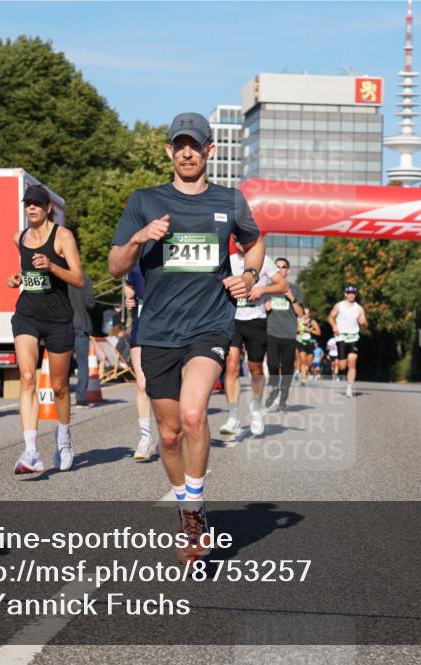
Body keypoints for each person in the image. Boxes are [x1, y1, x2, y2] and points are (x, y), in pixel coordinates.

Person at [108, 111, 263, 562]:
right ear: (169, 152)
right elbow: (116, 266)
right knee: (170, 434)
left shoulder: (230, 202)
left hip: (210, 325)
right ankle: (185, 504)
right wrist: (140, 237)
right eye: (180, 145)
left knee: (194, 414)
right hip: (157, 331)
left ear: (210, 150)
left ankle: (194, 516)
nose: (187, 152)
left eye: (195, 144)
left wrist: (249, 274)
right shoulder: (145, 200)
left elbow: (254, 242)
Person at [7, 184, 85, 474]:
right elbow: (29, 272)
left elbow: (78, 279)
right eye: (28, 204)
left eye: (37, 204)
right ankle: (30, 452)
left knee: (59, 387)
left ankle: (63, 438)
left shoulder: (62, 236)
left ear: (48, 208)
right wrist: (18, 278)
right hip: (27, 314)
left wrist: (52, 266)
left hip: (57, 318)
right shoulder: (20, 238)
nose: (31, 209)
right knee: (27, 377)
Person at [219, 241, 283, 438]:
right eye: (236, 239)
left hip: (256, 321)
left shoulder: (264, 262)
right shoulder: (227, 261)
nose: (240, 243)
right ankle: (233, 417)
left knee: (255, 369)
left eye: (243, 238)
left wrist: (263, 290)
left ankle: (256, 411)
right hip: (233, 320)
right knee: (231, 366)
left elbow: (283, 284)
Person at [124, 266, 156, 461]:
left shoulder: (172, 260)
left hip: (169, 333)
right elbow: (128, 285)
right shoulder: (136, 267)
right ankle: (145, 438)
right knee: (142, 385)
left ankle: (173, 435)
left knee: (170, 388)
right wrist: (129, 297)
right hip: (141, 332)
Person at [263, 258, 304, 412]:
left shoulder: (295, 289)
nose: (280, 269)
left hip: (289, 335)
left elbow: (300, 313)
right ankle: (274, 389)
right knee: (272, 365)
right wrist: (265, 308)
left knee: (287, 368)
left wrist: (292, 298)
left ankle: (283, 399)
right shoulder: (267, 288)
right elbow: (259, 310)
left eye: (283, 267)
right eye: (277, 267)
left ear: (288, 270)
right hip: (271, 332)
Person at [328, 285, 368, 398]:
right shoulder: (339, 305)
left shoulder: (359, 308)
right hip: (341, 337)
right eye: (349, 292)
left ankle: (349, 388)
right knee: (342, 366)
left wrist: (364, 323)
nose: (351, 295)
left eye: (353, 293)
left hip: (354, 337)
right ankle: (344, 374)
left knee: (352, 360)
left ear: (355, 294)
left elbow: (365, 325)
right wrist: (334, 325)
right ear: (345, 294)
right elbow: (330, 317)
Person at [68, 271, 96, 408]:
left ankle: (62, 396)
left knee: (63, 363)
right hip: (81, 325)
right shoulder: (85, 277)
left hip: (64, 325)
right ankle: (81, 398)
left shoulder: (60, 276)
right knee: (82, 363)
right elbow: (90, 303)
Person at [295, 307, 321, 384]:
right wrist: (297, 330)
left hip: (310, 343)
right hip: (301, 343)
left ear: (309, 314)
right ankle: (303, 379)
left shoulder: (312, 322)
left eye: (306, 313)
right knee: (303, 360)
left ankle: (308, 369)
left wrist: (310, 330)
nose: (305, 315)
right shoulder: (299, 321)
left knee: (308, 362)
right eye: (303, 313)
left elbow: (319, 333)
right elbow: (294, 330)